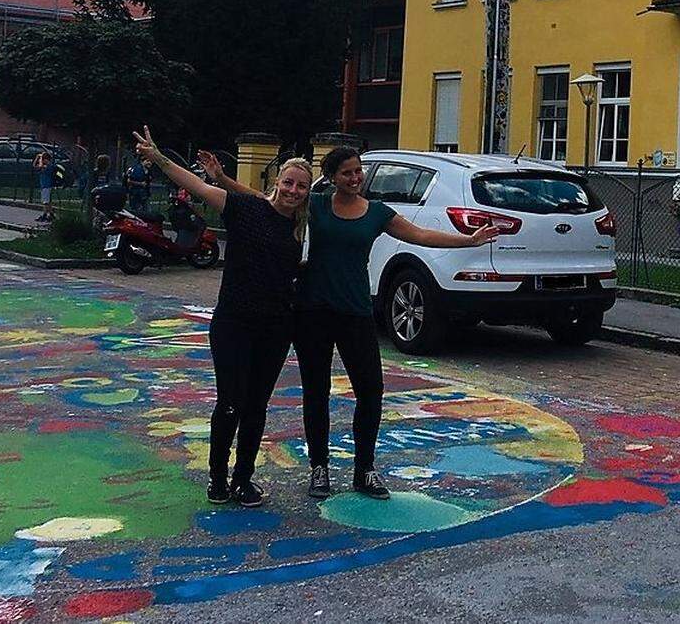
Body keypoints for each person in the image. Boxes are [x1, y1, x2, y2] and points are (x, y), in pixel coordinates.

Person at [205, 146, 499, 500]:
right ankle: (319, 467)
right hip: (312, 312)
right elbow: (265, 200)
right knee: (316, 393)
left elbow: (419, 235)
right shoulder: (314, 203)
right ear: (332, 178)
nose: (356, 178)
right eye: (347, 173)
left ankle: (365, 470)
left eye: (358, 171)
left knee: (371, 391)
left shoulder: (376, 213)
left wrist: (467, 240)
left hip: (356, 312)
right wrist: (221, 180)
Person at [133, 127, 312, 507]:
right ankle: (217, 477)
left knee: (257, 405)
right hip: (234, 322)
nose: (294, 191)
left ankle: (243, 478)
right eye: (289, 182)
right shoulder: (244, 209)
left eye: (301, 187)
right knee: (230, 401)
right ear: (276, 183)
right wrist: (160, 157)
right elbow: (197, 187)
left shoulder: (301, 229)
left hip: (277, 327)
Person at [33, 152, 57, 222]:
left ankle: (45, 214)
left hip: (47, 185)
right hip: (44, 186)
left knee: (45, 202)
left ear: (46, 159)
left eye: (43, 159)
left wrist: (40, 159)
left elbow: (39, 166)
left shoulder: (48, 166)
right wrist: (37, 158)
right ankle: (51, 214)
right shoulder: (45, 166)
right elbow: (35, 166)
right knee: (47, 202)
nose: (42, 161)